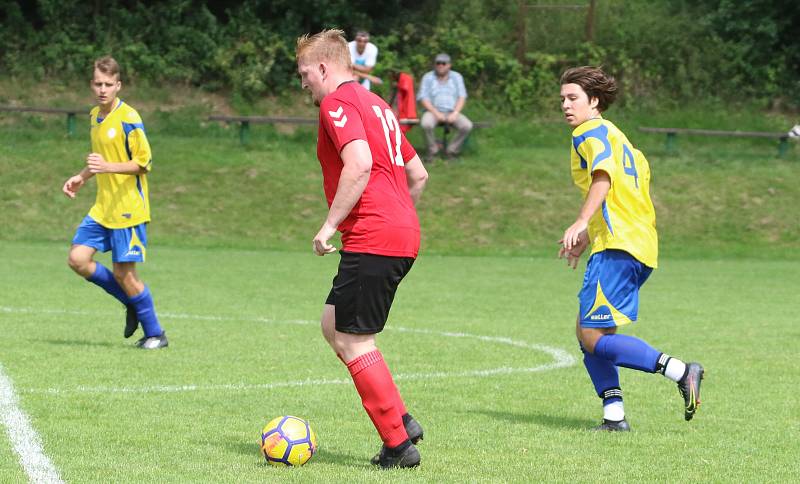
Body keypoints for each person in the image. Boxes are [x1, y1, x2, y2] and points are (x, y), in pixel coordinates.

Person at [296, 29, 429, 468]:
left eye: (304, 75)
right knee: (333, 324)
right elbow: (419, 174)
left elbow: (359, 163)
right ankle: (402, 420)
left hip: (375, 235)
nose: (304, 86)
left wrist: (329, 225)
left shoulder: (337, 104)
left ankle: (398, 446)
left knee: (354, 339)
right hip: (398, 231)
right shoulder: (378, 105)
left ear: (322, 68)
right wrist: (396, 213)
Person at [557, 66, 703, 431]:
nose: (565, 105)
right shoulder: (622, 139)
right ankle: (614, 416)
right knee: (587, 331)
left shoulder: (588, 132)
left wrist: (579, 223)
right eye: (562, 98)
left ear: (594, 101)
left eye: (573, 98)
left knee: (592, 336)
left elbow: (602, 178)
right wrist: (586, 238)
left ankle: (681, 371)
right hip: (636, 244)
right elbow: (620, 196)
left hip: (619, 247)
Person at [62, 56, 167, 349]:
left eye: (109, 84)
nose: (103, 89)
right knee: (78, 259)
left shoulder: (130, 118)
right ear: (91, 85)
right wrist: (82, 177)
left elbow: (144, 163)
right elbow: (99, 159)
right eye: (98, 83)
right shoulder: (94, 115)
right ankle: (130, 301)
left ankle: (156, 334)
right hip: (102, 207)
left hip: (128, 209)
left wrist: (107, 167)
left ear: (118, 85)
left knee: (124, 273)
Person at [416, 53, 472, 161]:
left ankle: (451, 150)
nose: (440, 65)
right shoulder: (428, 77)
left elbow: (462, 96)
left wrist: (455, 113)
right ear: (435, 65)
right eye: (438, 63)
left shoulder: (457, 77)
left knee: (467, 125)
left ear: (449, 65)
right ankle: (433, 152)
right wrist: (436, 113)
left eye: (443, 63)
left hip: (452, 111)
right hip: (432, 111)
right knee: (426, 124)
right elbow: (423, 97)